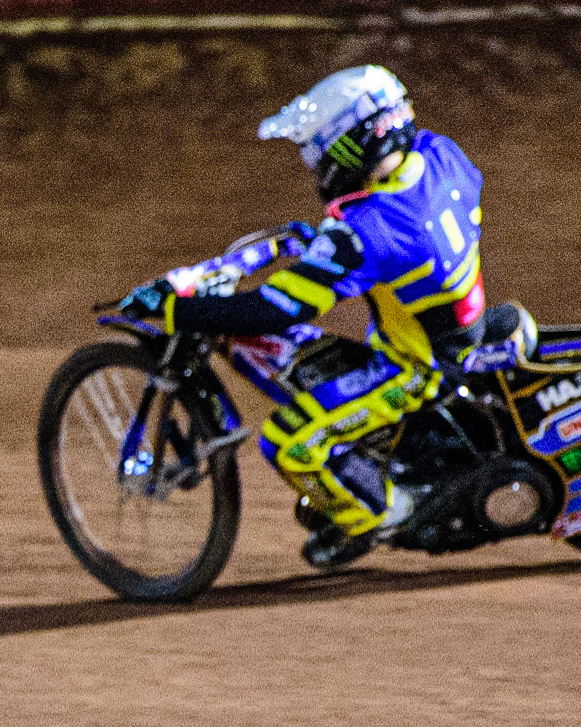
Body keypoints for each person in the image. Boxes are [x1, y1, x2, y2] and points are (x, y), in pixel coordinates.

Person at [118, 65, 506, 568]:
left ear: (352, 145)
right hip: (453, 330)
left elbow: (272, 311)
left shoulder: (368, 232)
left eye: (319, 150)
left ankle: (382, 516)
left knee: (288, 443)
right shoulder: (439, 155)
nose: (315, 163)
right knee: (309, 358)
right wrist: (323, 241)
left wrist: (175, 309)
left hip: (418, 371)